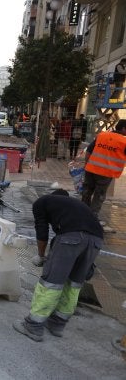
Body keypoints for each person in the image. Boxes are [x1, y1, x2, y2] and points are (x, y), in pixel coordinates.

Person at [13, 189, 104, 342]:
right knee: (74, 284)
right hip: (96, 241)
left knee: (51, 283)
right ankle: (57, 324)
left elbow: (42, 232)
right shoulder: (76, 207)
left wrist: (41, 256)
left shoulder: (42, 202)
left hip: (72, 238)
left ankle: (33, 325)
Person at [81, 119, 126, 220]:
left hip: (91, 169)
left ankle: (82, 213)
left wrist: (86, 164)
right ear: (123, 128)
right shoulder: (124, 142)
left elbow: (89, 150)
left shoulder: (102, 135)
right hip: (105, 173)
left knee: (87, 191)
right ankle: (92, 218)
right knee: (99, 195)